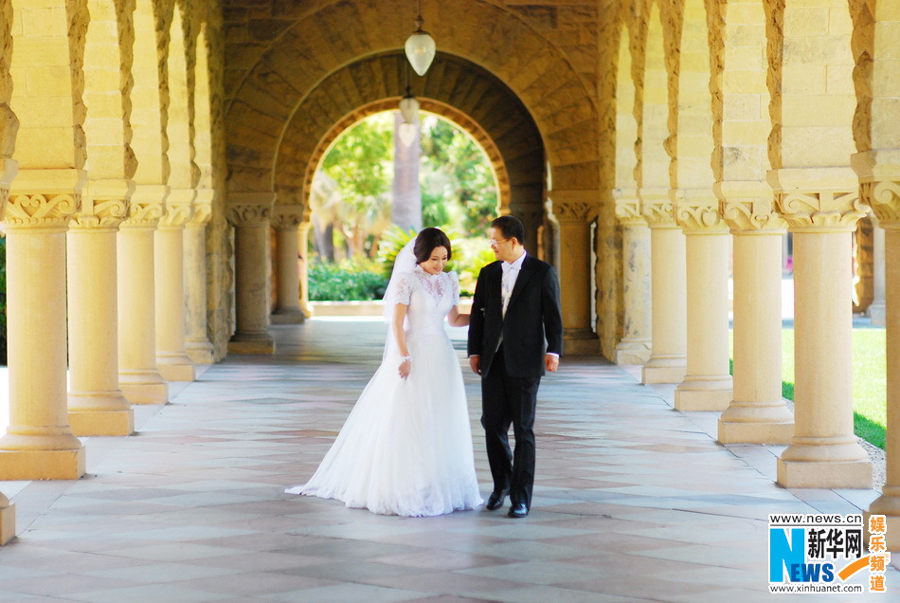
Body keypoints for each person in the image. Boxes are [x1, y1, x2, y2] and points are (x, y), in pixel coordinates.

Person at [286, 227, 483, 517]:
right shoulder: (408, 280)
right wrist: (404, 355)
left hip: (442, 356)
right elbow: (397, 324)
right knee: (412, 416)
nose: (439, 264)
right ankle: (407, 484)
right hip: (413, 351)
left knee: (440, 416)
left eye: (444, 258)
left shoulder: (449, 280)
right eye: (434, 259)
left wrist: (484, 316)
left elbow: (453, 320)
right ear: (420, 256)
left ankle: (436, 484)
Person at [467, 215, 563, 518]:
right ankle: (502, 484)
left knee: (523, 430)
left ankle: (521, 498)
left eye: (495, 240)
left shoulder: (542, 272)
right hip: (492, 360)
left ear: (513, 241)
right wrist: (474, 351)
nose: (491, 245)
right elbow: (477, 314)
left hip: (526, 362)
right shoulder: (488, 273)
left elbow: (553, 315)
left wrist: (554, 350)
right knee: (492, 425)